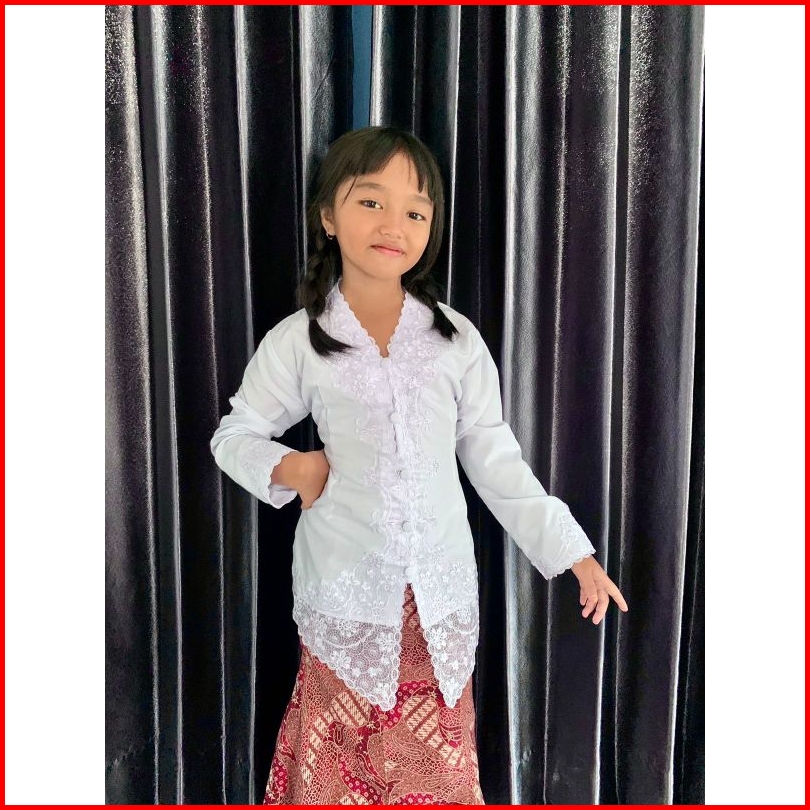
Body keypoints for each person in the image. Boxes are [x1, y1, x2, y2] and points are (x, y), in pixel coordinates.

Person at [210, 126, 628, 805]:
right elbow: (234, 436)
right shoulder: (299, 341)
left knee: (440, 779)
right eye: (371, 201)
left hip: (439, 602)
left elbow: (495, 459)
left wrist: (573, 553)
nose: (393, 225)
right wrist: (293, 468)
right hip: (345, 597)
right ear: (328, 215)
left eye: (415, 211)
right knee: (336, 779)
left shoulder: (455, 339)